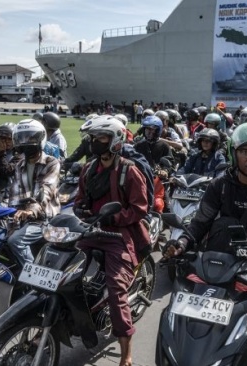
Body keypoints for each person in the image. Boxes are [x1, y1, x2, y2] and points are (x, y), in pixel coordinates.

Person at [165, 123, 247, 366]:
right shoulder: (219, 185)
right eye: (245, 152)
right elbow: (200, 223)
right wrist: (181, 242)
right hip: (218, 262)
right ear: (233, 153)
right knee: (181, 296)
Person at [74, 116, 149, 366]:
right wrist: (82, 212)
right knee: (61, 267)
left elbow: (139, 209)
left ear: (115, 140)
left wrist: (112, 217)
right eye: (93, 138)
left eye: (101, 138)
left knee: (117, 290)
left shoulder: (129, 170)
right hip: (90, 232)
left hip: (119, 235)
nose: (95, 142)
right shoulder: (88, 169)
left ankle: (126, 353)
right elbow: (79, 200)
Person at [6, 119, 60, 266]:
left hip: (45, 218)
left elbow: (45, 190)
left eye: (30, 138)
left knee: (15, 241)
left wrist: (31, 210)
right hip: (24, 218)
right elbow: (15, 195)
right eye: (21, 138)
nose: (25, 142)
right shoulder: (20, 165)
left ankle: (33, 275)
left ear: (40, 139)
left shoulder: (51, 163)